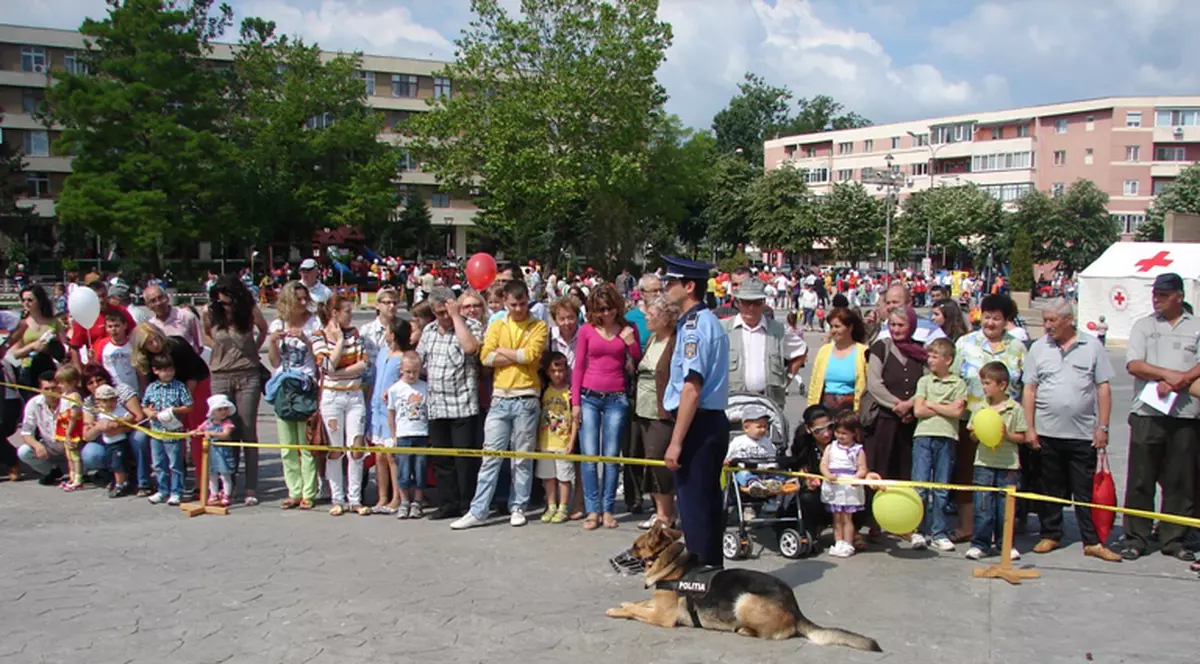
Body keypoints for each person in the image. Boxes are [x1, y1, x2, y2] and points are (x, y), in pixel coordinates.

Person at [1022, 299, 1120, 562]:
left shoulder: (1092, 346)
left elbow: (1103, 387)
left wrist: (1103, 426)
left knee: (1085, 490)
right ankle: (1051, 533)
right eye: (1045, 320)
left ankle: (1092, 540)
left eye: (1053, 320)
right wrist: (1030, 427)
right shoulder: (1038, 348)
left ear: (1069, 320)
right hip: (1046, 432)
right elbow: (1029, 389)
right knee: (1049, 487)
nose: (1047, 326)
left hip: (1082, 434)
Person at [452, 280, 549, 530]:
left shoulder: (538, 325)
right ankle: (478, 510)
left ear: (528, 300)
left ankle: (518, 506)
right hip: (500, 397)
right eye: (514, 304)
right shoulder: (497, 323)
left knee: (522, 458)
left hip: (527, 397)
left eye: (523, 304)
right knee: (490, 456)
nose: (518, 309)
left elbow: (531, 356)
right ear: (505, 302)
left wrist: (504, 353)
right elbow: (486, 357)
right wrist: (515, 354)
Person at [1122, 272, 1200, 562]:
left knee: (1180, 480)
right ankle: (1135, 537)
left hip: (1185, 414)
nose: (1157, 299)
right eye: (1155, 294)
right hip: (1148, 412)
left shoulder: (1196, 326)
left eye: (1164, 295)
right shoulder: (1143, 325)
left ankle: (1174, 538)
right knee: (1141, 479)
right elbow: (1134, 364)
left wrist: (1183, 379)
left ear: (1179, 296)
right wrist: (1168, 375)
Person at [661, 255, 730, 567]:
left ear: (689, 286)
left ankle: (700, 580)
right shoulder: (702, 321)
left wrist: (676, 441)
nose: (666, 287)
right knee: (706, 507)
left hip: (698, 424)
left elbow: (692, 386)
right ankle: (712, 576)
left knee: (695, 510)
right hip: (707, 422)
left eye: (671, 282)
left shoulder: (694, 327)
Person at [951, 294, 1026, 542]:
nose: (990, 323)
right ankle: (969, 527)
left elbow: (1025, 385)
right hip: (970, 421)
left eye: (996, 318)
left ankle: (1002, 535)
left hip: (1007, 424)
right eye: (986, 317)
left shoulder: (1017, 347)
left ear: (1006, 321)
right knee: (968, 474)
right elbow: (953, 379)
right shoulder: (965, 343)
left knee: (1003, 478)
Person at [571, 283, 641, 531]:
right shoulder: (587, 331)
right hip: (589, 395)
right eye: (601, 309)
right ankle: (593, 510)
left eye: (610, 308)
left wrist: (631, 343)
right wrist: (576, 403)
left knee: (611, 457)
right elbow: (578, 366)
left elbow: (638, 360)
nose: (607, 313)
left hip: (617, 397)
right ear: (593, 309)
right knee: (590, 456)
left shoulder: (627, 328)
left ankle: (608, 508)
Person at [417, 288, 484, 521]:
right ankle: (448, 503)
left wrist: (456, 318)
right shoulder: (429, 331)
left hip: (463, 403)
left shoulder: (470, 325)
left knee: (464, 458)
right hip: (437, 404)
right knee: (442, 458)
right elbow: (420, 360)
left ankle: (467, 504)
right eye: (438, 313)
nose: (443, 317)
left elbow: (470, 348)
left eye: (446, 312)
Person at [965, 362, 1029, 561]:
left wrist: (1006, 435)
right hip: (983, 463)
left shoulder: (1015, 408)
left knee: (1006, 509)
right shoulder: (980, 407)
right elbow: (972, 435)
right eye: (983, 383)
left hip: (1008, 465)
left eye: (987, 383)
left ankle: (1005, 544)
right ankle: (980, 544)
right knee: (983, 507)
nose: (983, 387)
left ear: (1001, 385)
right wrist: (977, 434)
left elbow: (1022, 437)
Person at [312, 294, 369, 517]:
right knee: (335, 449)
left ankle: (355, 498)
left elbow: (363, 363)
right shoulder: (318, 336)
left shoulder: (355, 334)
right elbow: (326, 364)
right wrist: (339, 342)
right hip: (332, 398)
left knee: (356, 448)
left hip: (355, 396)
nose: (351, 315)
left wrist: (337, 371)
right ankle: (338, 497)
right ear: (334, 313)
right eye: (347, 311)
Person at [265, 282, 320, 510]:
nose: (302, 302)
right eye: (297, 298)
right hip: (283, 385)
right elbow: (275, 362)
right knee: (287, 445)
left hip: (305, 384)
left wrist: (306, 339)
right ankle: (293, 491)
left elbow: (320, 358)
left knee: (305, 445)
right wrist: (273, 342)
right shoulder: (277, 323)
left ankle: (309, 491)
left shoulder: (314, 321)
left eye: (304, 298)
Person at [910, 337, 967, 552]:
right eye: (929, 356)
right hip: (923, 435)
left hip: (947, 437)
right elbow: (918, 410)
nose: (930, 360)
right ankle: (917, 529)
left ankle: (938, 532)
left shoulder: (958, 383)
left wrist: (931, 404)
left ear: (948, 359)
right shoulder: (924, 381)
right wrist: (944, 406)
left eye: (935, 357)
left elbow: (957, 412)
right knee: (920, 486)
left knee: (942, 487)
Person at [722, 278, 806, 411]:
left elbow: (801, 351)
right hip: (733, 404)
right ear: (738, 303)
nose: (751, 308)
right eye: (746, 302)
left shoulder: (778, 330)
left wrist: (787, 378)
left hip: (769, 404)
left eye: (756, 303)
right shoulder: (723, 329)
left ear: (764, 303)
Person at [866, 308, 928, 486]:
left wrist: (910, 404)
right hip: (885, 420)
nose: (896, 329)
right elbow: (874, 384)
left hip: (912, 422)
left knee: (907, 470)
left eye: (901, 325)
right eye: (892, 324)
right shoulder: (880, 348)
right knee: (881, 469)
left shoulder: (921, 351)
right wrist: (897, 405)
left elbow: (927, 382)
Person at [633, 295, 680, 530]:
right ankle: (658, 510)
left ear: (665, 318)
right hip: (643, 407)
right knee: (648, 460)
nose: (646, 318)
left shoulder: (674, 342)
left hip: (661, 411)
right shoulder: (652, 338)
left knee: (657, 459)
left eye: (651, 315)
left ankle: (666, 514)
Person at [141, 355, 193, 506]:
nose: (168, 373)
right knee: (158, 463)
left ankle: (177, 491)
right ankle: (163, 490)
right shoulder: (152, 388)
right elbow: (144, 405)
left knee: (175, 463)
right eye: (164, 370)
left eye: (170, 370)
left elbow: (189, 405)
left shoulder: (179, 387)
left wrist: (173, 410)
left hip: (173, 431)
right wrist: (149, 413)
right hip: (156, 432)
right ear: (155, 371)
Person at [387, 352, 430, 520]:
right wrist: (393, 435)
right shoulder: (395, 389)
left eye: (415, 372)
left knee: (420, 469)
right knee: (403, 470)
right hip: (403, 434)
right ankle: (404, 501)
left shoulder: (424, 387)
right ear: (401, 370)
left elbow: (429, 410)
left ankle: (417, 501)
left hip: (421, 433)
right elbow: (391, 413)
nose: (412, 375)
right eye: (408, 372)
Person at [534, 352, 576, 524]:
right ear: (548, 372)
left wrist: (572, 441)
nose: (557, 374)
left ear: (566, 371)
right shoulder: (544, 391)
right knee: (548, 476)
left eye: (561, 370)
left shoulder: (570, 392)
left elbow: (575, 419)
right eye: (553, 371)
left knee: (564, 477)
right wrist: (537, 439)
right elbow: (538, 416)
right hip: (545, 441)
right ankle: (551, 505)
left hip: (563, 441)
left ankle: (563, 507)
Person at [820, 410, 868, 558]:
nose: (840, 436)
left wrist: (856, 478)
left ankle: (848, 542)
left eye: (844, 433)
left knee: (847, 517)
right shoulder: (831, 447)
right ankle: (838, 541)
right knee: (836, 517)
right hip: (834, 485)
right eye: (838, 432)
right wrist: (827, 474)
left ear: (854, 433)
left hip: (849, 486)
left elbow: (862, 468)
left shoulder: (858, 450)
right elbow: (823, 464)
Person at [807, 307, 869, 412]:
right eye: (831, 327)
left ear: (850, 328)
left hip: (851, 410)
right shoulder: (824, 351)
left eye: (837, 326)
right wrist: (811, 410)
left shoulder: (863, 352)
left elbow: (869, 385)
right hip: (825, 408)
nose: (833, 331)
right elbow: (814, 385)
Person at [66, 281, 136, 368]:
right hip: (99, 367)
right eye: (97, 297)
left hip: (123, 363)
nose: (101, 300)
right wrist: (79, 371)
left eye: (103, 295)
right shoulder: (84, 315)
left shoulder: (120, 311)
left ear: (107, 295)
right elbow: (74, 347)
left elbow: (135, 333)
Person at [16, 371, 69, 485]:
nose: (50, 392)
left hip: (70, 445)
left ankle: (80, 473)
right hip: (49, 446)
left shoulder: (69, 401)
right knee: (24, 452)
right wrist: (37, 445)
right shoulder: (33, 403)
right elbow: (26, 432)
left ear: (60, 387)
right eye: (46, 389)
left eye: (53, 388)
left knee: (91, 456)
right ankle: (51, 471)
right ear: (40, 389)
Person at [84, 383, 133, 498]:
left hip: (119, 442)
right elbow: (91, 426)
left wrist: (118, 422)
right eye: (105, 401)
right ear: (98, 402)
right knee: (111, 464)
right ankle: (115, 481)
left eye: (112, 400)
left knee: (118, 465)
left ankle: (121, 485)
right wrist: (96, 425)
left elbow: (130, 416)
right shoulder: (100, 412)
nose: (109, 404)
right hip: (107, 443)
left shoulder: (119, 409)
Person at [193, 394, 238, 508]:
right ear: (213, 411)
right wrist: (194, 432)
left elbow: (225, 435)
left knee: (225, 475)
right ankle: (213, 493)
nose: (223, 412)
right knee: (212, 474)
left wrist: (211, 433)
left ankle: (226, 494)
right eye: (220, 409)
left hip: (223, 453)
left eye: (225, 409)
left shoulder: (227, 423)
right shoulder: (208, 423)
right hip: (211, 453)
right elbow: (199, 430)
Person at [874, 283, 946, 345]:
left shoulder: (930, 329)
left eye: (895, 302)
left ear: (909, 302)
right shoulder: (884, 331)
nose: (891, 306)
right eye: (888, 303)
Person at [143, 285, 204, 355]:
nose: (159, 303)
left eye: (160, 297)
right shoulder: (150, 326)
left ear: (167, 297)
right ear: (148, 306)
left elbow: (199, 346)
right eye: (153, 300)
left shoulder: (187, 317)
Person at [625, 273, 663, 347]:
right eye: (654, 291)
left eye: (661, 290)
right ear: (642, 293)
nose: (659, 294)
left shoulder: (669, 317)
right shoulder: (630, 318)